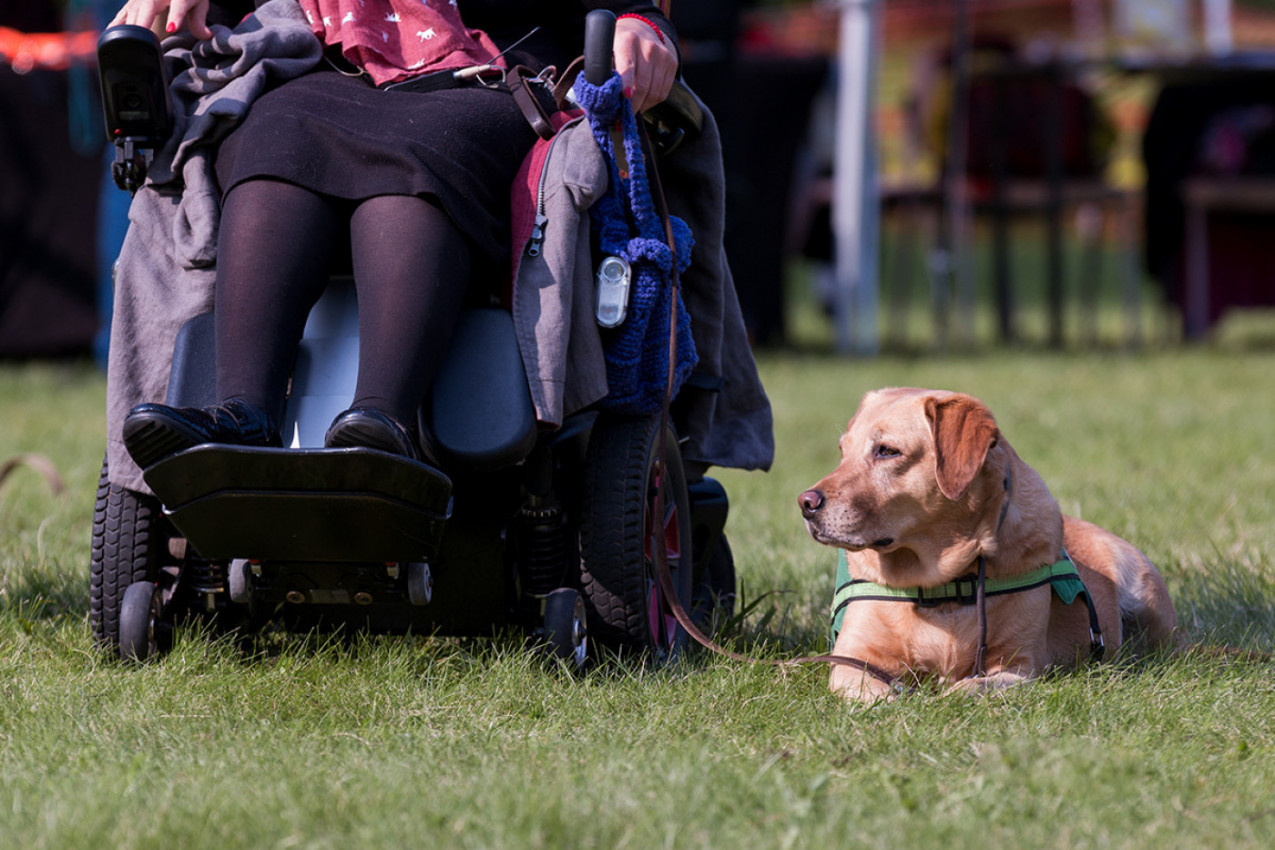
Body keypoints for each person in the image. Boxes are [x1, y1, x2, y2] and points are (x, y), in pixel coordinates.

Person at [112, 0, 679, 467]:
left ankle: (381, 427)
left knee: (423, 151)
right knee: (274, 137)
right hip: (324, 64)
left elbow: (630, 12)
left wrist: (639, 23)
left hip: (488, 73)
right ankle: (241, 417)